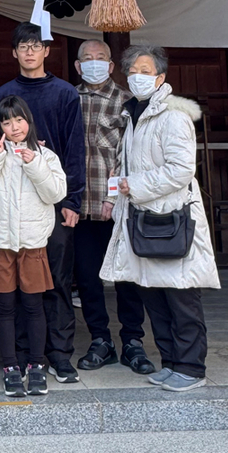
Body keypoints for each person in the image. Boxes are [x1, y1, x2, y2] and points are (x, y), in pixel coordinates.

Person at [100, 44, 220, 392]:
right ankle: (171, 362)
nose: (138, 76)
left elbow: (181, 169)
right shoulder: (133, 115)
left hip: (172, 219)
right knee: (154, 295)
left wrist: (134, 185)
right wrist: (118, 193)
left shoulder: (172, 115)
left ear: (161, 77)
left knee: (181, 296)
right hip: (143, 220)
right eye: (133, 71)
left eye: (146, 71)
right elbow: (128, 165)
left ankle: (191, 367)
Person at [0, 22, 85, 384]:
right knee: (16, 288)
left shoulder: (65, 93)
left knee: (56, 281)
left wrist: (73, 200)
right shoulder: (2, 95)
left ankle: (59, 354)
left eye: (36, 45)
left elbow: (75, 148)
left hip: (52, 199)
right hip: (11, 206)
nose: (30, 52)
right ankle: (24, 357)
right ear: (14, 52)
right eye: (23, 46)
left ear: (47, 50)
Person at [74, 40, 154, 376]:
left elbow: (131, 153)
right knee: (87, 278)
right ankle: (100, 340)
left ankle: (133, 340)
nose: (93, 63)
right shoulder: (69, 99)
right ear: (78, 66)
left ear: (110, 66)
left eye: (100, 58)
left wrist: (112, 197)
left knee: (127, 276)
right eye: (87, 59)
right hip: (80, 206)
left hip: (119, 206)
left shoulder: (128, 101)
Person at [0, 96, 67, 398]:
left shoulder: (45, 155)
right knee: (4, 308)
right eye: (7, 122)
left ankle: (36, 364)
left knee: (33, 306)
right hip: (0, 242)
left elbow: (55, 194)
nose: (14, 127)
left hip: (33, 243)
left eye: (19, 120)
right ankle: (10, 367)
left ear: (28, 120)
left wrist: (35, 164)